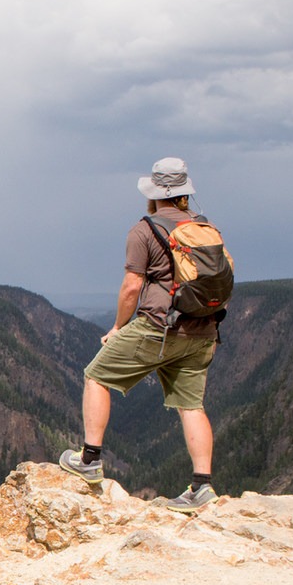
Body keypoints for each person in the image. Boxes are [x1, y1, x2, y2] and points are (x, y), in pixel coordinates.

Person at [59, 157, 220, 513]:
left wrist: (118, 328)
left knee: (95, 375)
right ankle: (202, 486)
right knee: (191, 405)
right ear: (184, 194)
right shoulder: (205, 228)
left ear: (155, 194)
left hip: (159, 327)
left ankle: (89, 459)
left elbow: (132, 287)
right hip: (204, 329)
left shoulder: (145, 230)